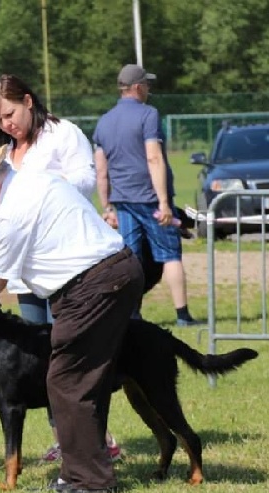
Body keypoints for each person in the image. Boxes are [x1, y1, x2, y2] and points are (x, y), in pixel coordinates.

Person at [0, 142, 144, 493]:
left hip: (94, 285)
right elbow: (7, 249)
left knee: (68, 381)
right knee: (77, 378)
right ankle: (80, 475)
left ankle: (89, 481)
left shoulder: (12, 210)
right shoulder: (30, 184)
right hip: (110, 274)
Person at [0, 73, 121, 463]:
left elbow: (85, 181)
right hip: (30, 272)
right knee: (38, 357)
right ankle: (64, 438)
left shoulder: (63, 133)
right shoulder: (7, 152)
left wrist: (39, 185)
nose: (7, 124)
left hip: (66, 267)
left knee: (71, 355)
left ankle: (97, 439)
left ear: (28, 101)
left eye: (10, 114)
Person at [93, 64, 201, 326]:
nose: (149, 90)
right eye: (147, 85)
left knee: (133, 260)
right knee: (170, 255)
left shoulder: (104, 121)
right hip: (150, 199)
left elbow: (101, 170)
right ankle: (183, 316)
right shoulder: (148, 115)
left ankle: (132, 315)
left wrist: (107, 207)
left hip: (122, 201)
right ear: (138, 87)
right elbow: (153, 157)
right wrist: (164, 203)